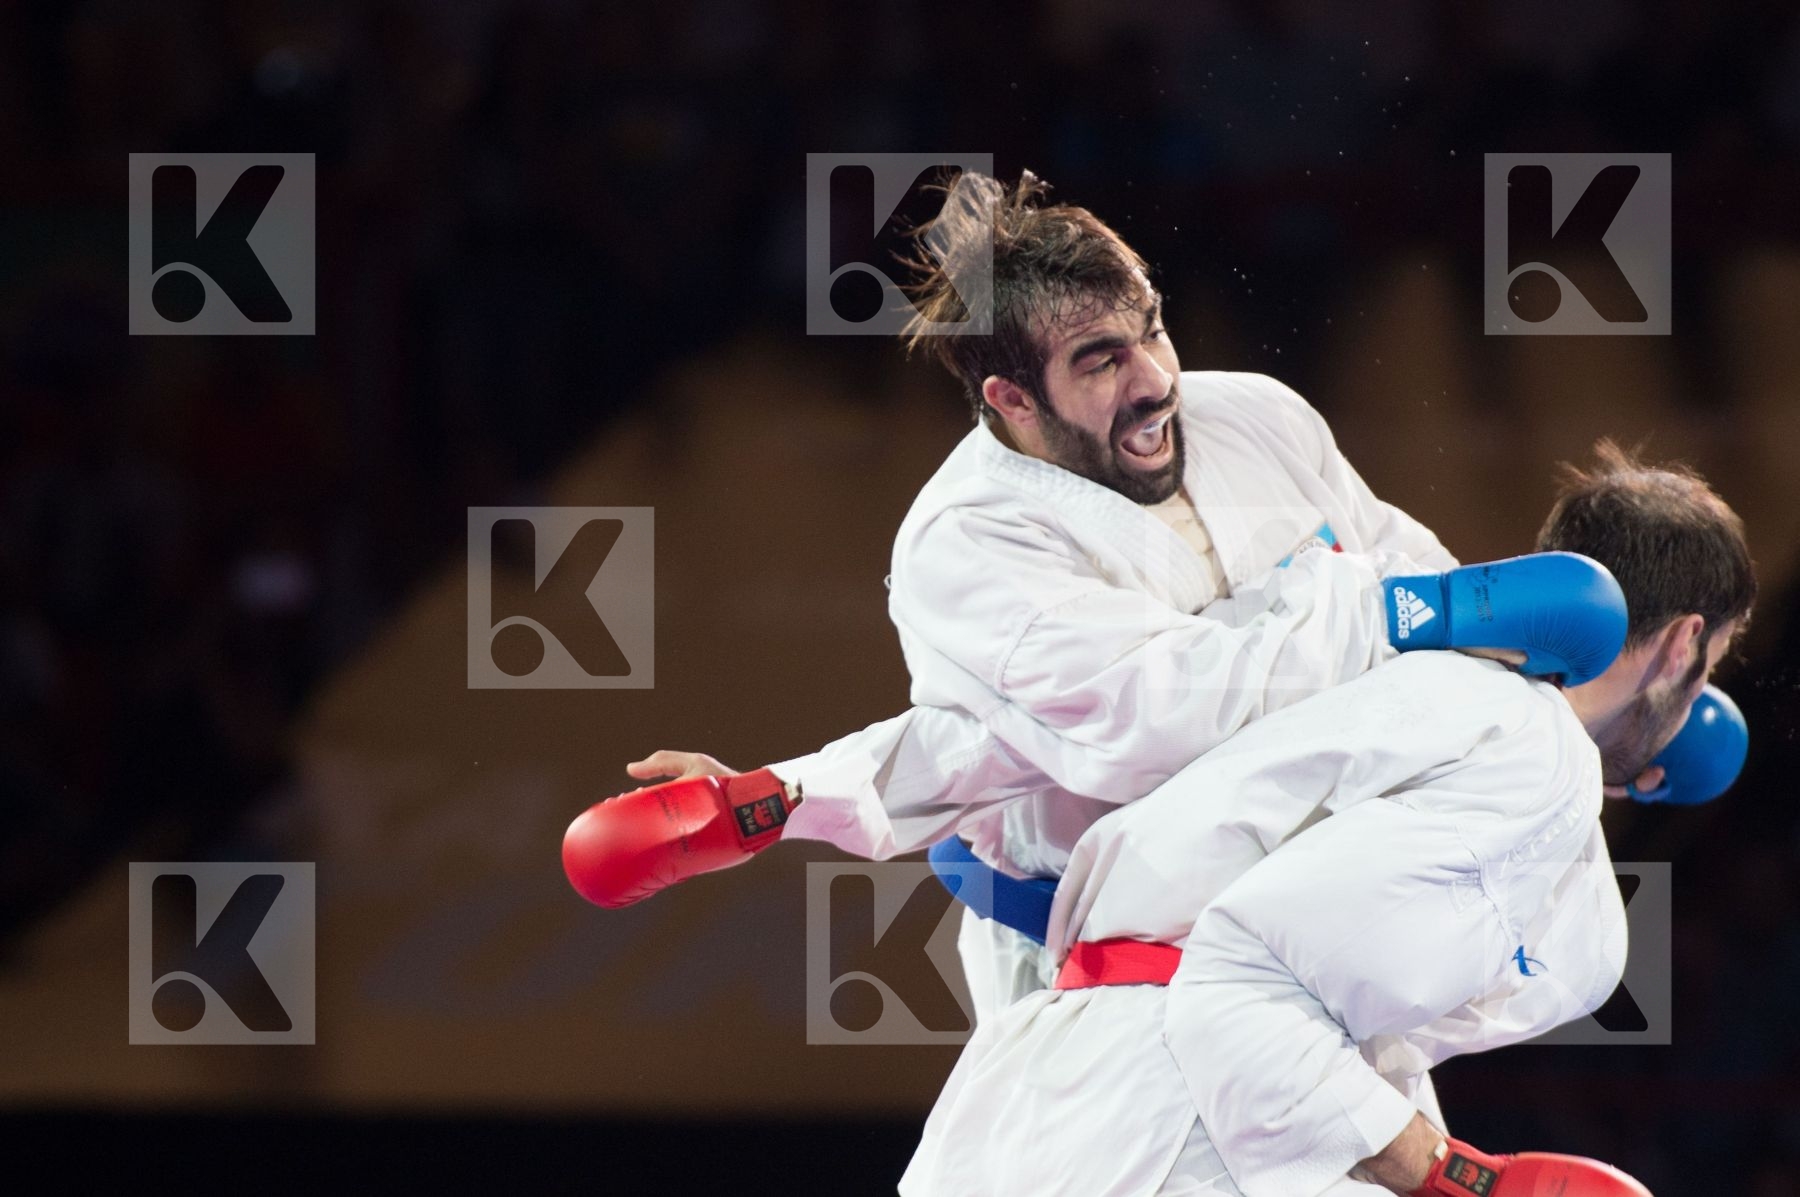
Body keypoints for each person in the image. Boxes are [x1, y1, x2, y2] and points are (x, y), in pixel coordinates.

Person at [566, 171, 1629, 1023]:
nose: (1155, 378)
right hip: (1094, 967)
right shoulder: (969, 543)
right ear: (1013, 399)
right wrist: (1395, 616)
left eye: (1154, 328)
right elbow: (1165, 717)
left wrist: (1591, 706)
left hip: (1309, 928)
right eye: (1102, 360)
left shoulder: (1257, 417)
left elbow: (1418, 577)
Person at [899, 441, 1756, 1197]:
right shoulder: (1538, 761)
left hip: (1028, 1098)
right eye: (1711, 662)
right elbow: (1241, 988)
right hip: (1170, 1119)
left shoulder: (1361, 632)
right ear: (1683, 643)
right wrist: (1455, 1173)